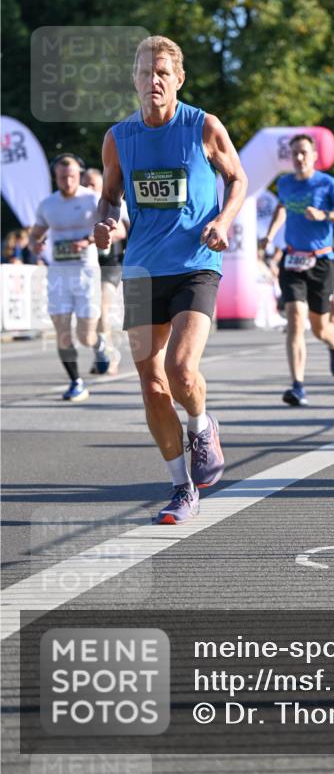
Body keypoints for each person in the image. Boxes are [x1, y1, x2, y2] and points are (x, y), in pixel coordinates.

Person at [94, 35, 248, 525]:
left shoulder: (203, 126)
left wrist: (222, 221)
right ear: (134, 79)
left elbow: (238, 179)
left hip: (196, 263)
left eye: (162, 72)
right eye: (145, 72)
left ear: (179, 78)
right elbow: (110, 195)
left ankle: (201, 426)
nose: (153, 80)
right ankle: (182, 487)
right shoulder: (119, 137)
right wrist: (105, 221)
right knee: (152, 384)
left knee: (181, 369)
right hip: (142, 269)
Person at [260, 133, 334, 407]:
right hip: (292, 260)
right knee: (294, 318)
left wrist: (325, 215)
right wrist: (270, 234)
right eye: (295, 153)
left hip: (321, 262)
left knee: (319, 328)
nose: (299, 157)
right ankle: (298, 386)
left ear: (314, 156)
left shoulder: (327, 184)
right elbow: (282, 208)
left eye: (304, 152)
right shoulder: (285, 183)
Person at [29, 153, 110, 401]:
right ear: (56, 177)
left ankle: (98, 345)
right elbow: (35, 234)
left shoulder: (93, 199)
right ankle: (76, 382)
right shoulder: (48, 204)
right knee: (62, 331)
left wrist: (88, 240)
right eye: (62, 177)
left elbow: (115, 229)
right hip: (58, 276)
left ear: (79, 175)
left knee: (85, 336)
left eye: (72, 176)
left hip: (87, 274)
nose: (68, 181)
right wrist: (35, 244)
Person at [82, 167, 129, 374]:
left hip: (111, 263)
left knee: (102, 308)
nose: (88, 188)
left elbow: (122, 231)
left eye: (92, 184)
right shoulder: (78, 205)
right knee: (91, 313)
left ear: (102, 185)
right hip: (86, 266)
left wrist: (93, 237)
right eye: (85, 184)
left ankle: (110, 356)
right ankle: (101, 354)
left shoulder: (115, 203)